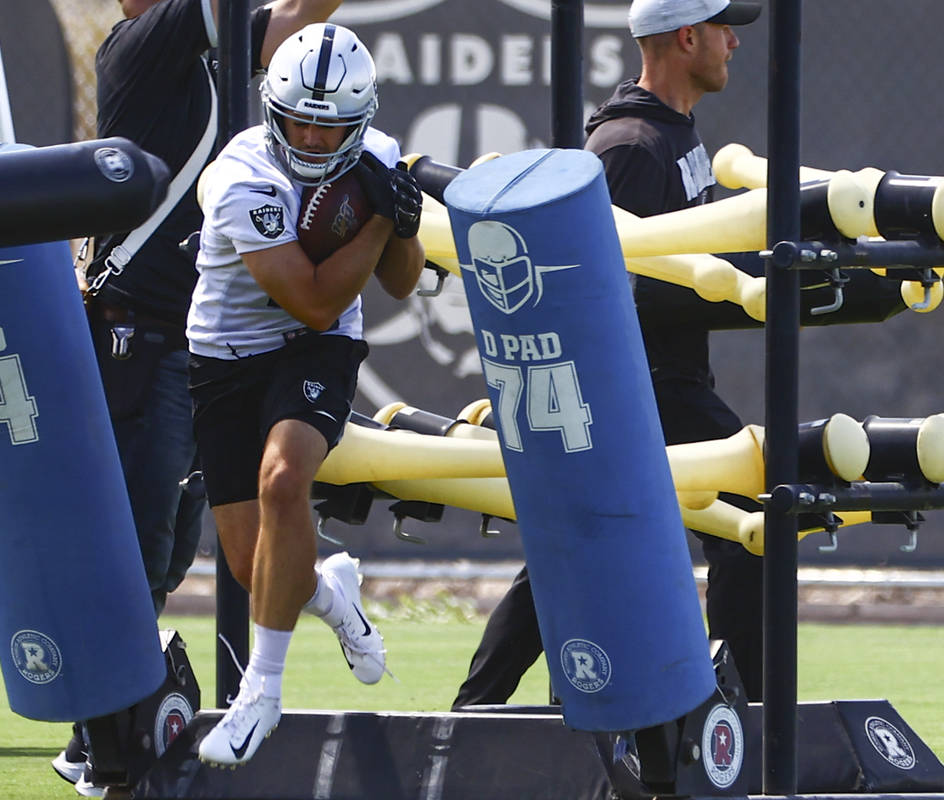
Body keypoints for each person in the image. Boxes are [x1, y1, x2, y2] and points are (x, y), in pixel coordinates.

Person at [52, 0, 347, 792]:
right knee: (141, 549)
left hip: (198, 343)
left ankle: (110, 725)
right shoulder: (141, 41)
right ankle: (100, 735)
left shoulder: (206, 47)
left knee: (178, 545)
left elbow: (293, 18)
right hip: (145, 340)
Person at [453, 0, 765, 710]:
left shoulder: (669, 133)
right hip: (640, 386)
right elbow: (599, 290)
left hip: (659, 381)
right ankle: (744, 716)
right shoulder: (629, 146)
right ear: (686, 38)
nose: (734, 42)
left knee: (574, 546)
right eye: (723, 28)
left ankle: (473, 710)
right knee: (752, 515)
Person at [188, 23, 424, 766]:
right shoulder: (241, 177)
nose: (315, 144)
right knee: (248, 566)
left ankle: (260, 694)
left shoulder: (379, 157)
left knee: (284, 479)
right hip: (228, 354)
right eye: (300, 124)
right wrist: (383, 217)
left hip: (317, 351)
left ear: (361, 121)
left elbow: (400, 282)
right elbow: (312, 297)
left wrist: (407, 227)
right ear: (271, 110)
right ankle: (332, 593)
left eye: (332, 130)